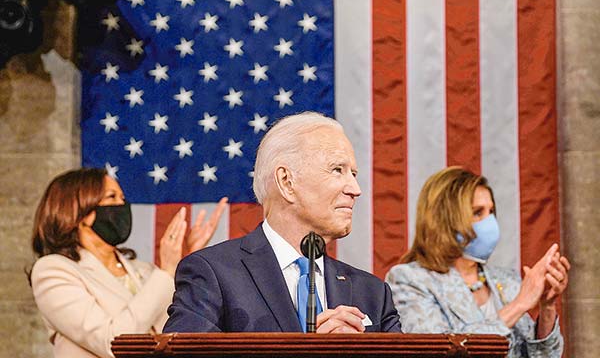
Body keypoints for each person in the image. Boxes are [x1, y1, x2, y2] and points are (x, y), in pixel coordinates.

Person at [163, 112, 401, 333]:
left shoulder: (373, 294)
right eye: (337, 170)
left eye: (354, 174)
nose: (355, 189)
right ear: (287, 181)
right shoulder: (213, 275)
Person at [30, 168, 228, 358]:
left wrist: (189, 259)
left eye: (122, 198)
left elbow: (182, 327)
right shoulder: (52, 271)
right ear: (78, 210)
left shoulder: (144, 271)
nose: (122, 205)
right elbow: (113, 343)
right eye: (111, 197)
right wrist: (166, 270)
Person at [385, 167, 569, 357]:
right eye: (477, 213)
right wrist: (519, 305)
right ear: (444, 219)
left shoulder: (507, 280)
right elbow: (437, 351)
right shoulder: (409, 280)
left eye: (491, 212)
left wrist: (547, 307)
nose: (490, 223)